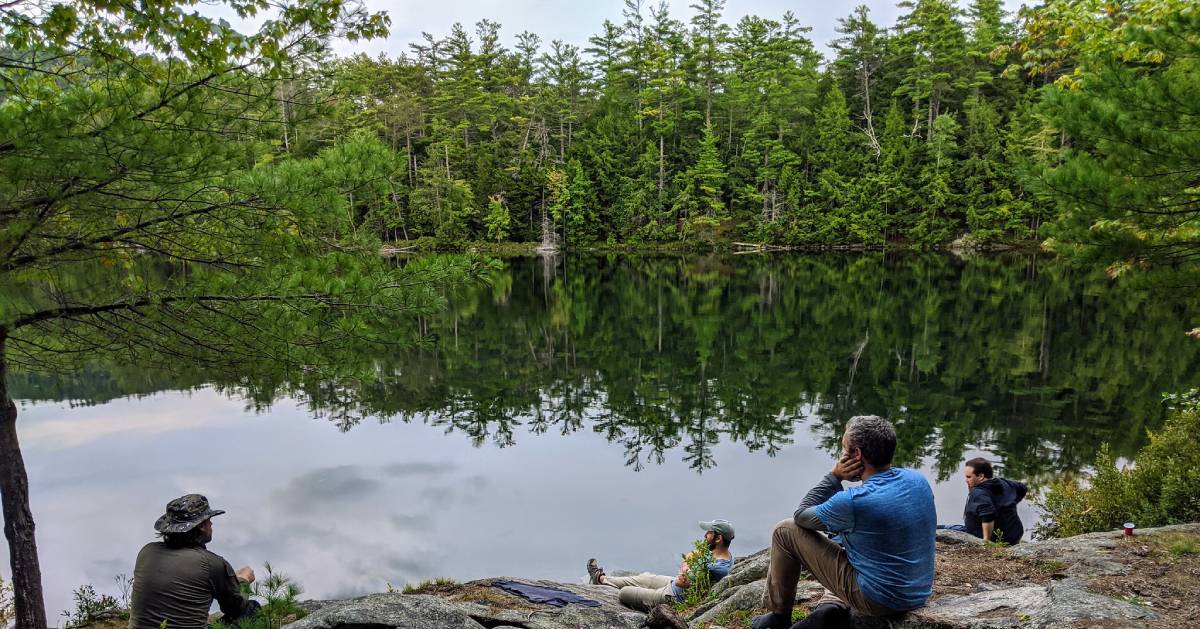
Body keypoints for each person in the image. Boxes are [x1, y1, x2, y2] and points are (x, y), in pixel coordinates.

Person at [752, 416, 936, 629]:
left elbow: (801, 516)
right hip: (918, 591)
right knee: (846, 538)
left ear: (856, 455)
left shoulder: (853, 502)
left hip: (879, 600)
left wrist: (833, 477)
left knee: (784, 530)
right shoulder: (917, 480)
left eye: (843, 448)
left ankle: (778, 617)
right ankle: (831, 607)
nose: (840, 456)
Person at [129, 494, 261, 629]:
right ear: (202, 526)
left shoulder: (147, 551)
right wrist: (243, 581)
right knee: (252, 608)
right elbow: (235, 608)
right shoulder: (212, 563)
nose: (211, 523)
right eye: (209, 519)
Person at [587, 519, 736, 612]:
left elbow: (684, 581)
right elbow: (690, 556)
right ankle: (601, 580)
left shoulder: (719, 568)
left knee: (624, 593)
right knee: (645, 577)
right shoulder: (717, 552)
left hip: (673, 598)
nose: (705, 536)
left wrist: (685, 571)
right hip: (673, 584)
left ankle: (606, 585)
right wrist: (686, 568)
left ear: (718, 538)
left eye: (709, 533)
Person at [939, 458, 1028, 545]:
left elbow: (988, 515)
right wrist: (1010, 503)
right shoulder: (1002, 482)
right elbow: (1022, 487)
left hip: (980, 535)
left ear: (981, 476)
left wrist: (986, 541)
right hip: (1014, 535)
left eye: (969, 477)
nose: (966, 480)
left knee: (937, 529)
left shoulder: (979, 493)